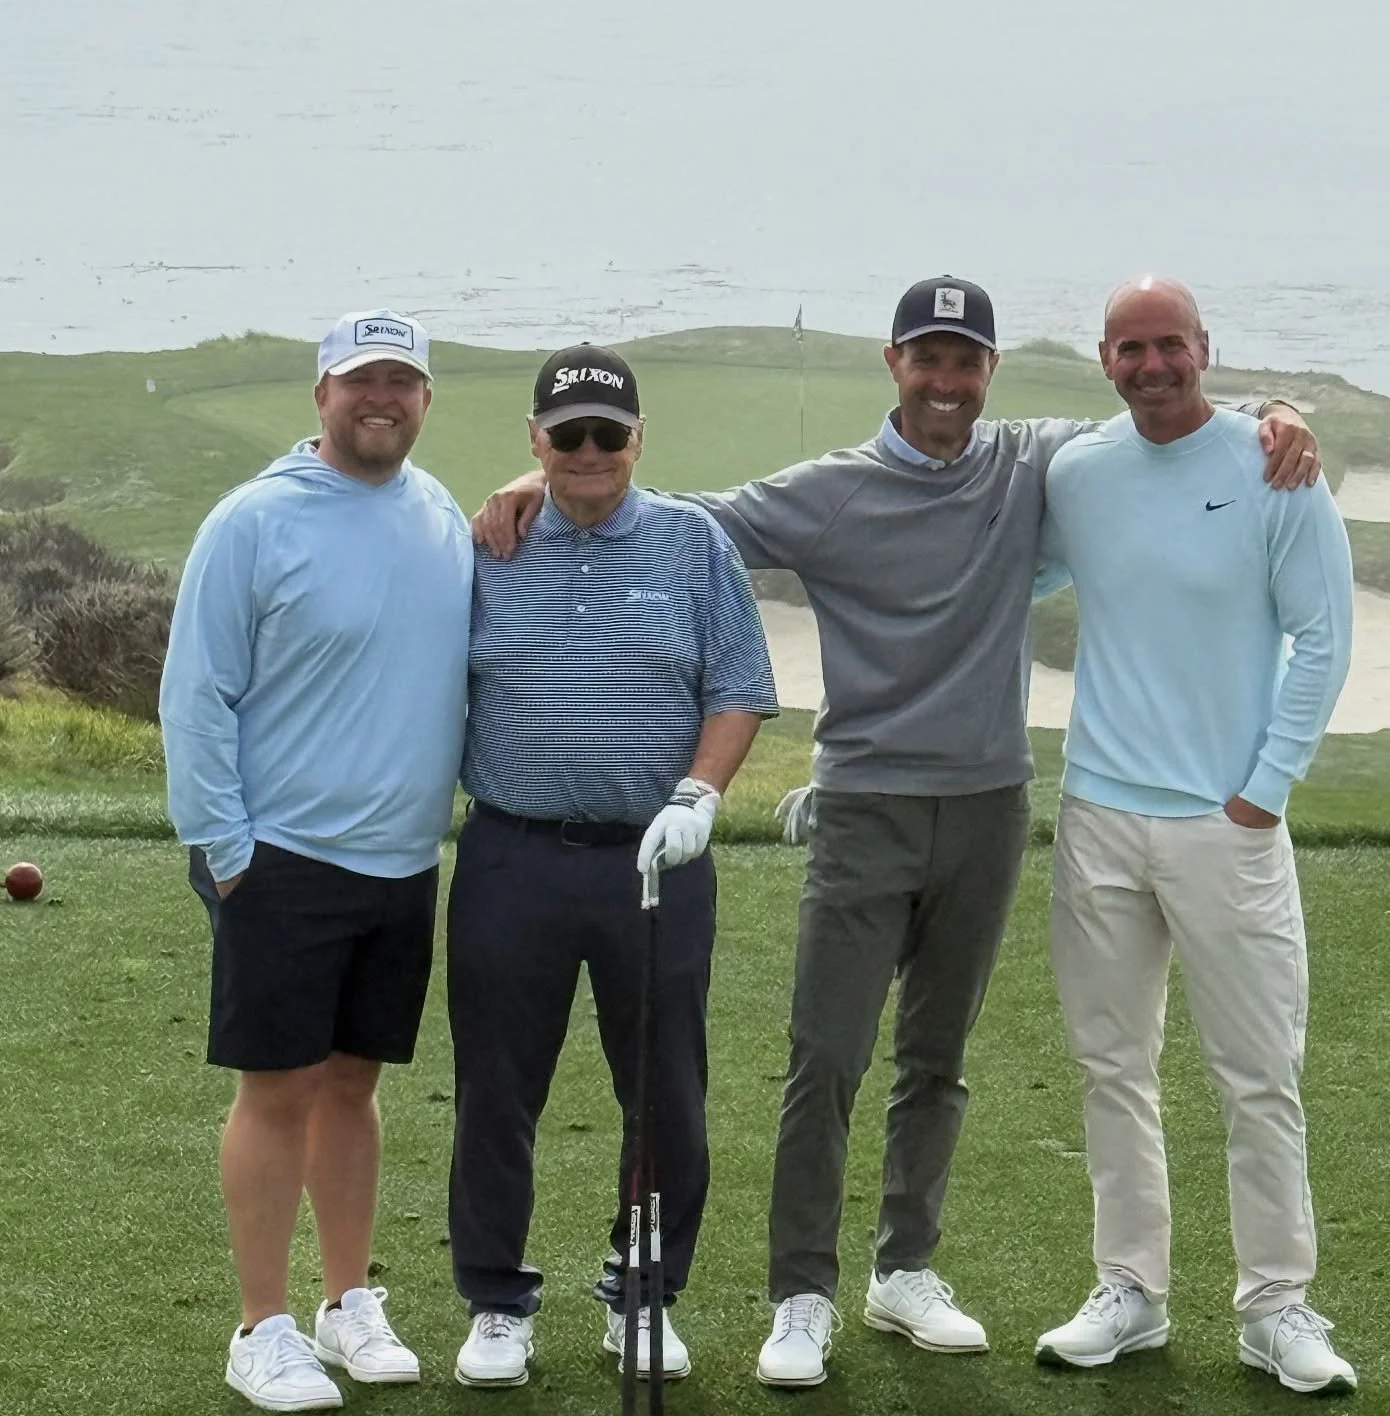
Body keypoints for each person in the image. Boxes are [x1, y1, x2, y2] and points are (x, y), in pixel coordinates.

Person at [474, 278, 1320, 1388]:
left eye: (965, 361)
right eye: (928, 358)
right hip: (866, 803)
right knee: (826, 1057)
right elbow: (677, 518)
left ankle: (904, 1268)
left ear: (989, 372)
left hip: (985, 805)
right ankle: (802, 1294)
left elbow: (1162, 408)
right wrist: (544, 474)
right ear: (893, 364)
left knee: (938, 1059)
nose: (946, 381)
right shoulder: (830, 493)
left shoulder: (1032, 465)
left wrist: (1278, 407)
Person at [1033, 276, 1357, 1395]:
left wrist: (1264, 792)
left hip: (1228, 825)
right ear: (1106, 362)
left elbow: (1322, 639)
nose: (1152, 365)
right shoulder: (1079, 474)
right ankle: (1132, 1290)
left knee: (1259, 1076)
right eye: (1130, 348)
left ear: (1204, 350)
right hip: (1099, 819)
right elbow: (1006, 569)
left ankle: (1278, 1305)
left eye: (1169, 344)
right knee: (1111, 1067)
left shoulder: (1275, 466)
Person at [447, 344, 778, 1390]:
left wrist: (699, 797)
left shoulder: (692, 543)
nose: (589, 453)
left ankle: (643, 1295)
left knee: (665, 1088)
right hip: (512, 853)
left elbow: (738, 685)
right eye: (567, 435)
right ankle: (497, 1301)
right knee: (497, 1088)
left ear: (638, 440)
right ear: (535, 441)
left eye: (608, 435)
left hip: (656, 857)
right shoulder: (488, 549)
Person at [160, 310, 473, 1411]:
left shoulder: (439, 513)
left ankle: (347, 1304)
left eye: (401, 381)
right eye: (359, 381)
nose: (380, 399)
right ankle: (265, 1325)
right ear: (322, 395)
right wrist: (227, 851)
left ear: (426, 400)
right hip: (282, 856)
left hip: (401, 865)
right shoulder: (254, 520)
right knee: (279, 1087)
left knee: (354, 1081)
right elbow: (196, 694)